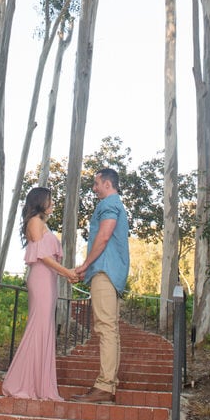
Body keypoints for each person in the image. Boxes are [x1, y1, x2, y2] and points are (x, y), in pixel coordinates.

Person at [2, 186, 77, 400]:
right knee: (38, 328)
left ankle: (39, 384)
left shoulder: (42, 224)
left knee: (44, 329)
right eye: (50, 200)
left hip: (49, 279)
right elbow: (43, 257)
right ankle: (21, 383)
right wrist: (67, 273)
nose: (52, 204)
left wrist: (65, 274)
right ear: (40, 202)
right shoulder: (35, 221)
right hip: (41, 278)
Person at [71, 167, 129, 403]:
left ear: (107, 184)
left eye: (96, 184)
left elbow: (104, 236)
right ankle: (109, 383)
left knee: (105, 328)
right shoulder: (116, 204)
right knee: (110, 329)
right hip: (112, 272)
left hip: (104, 271)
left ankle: (104, 385)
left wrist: (85, 264)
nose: (94, 188)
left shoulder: (108, 205)